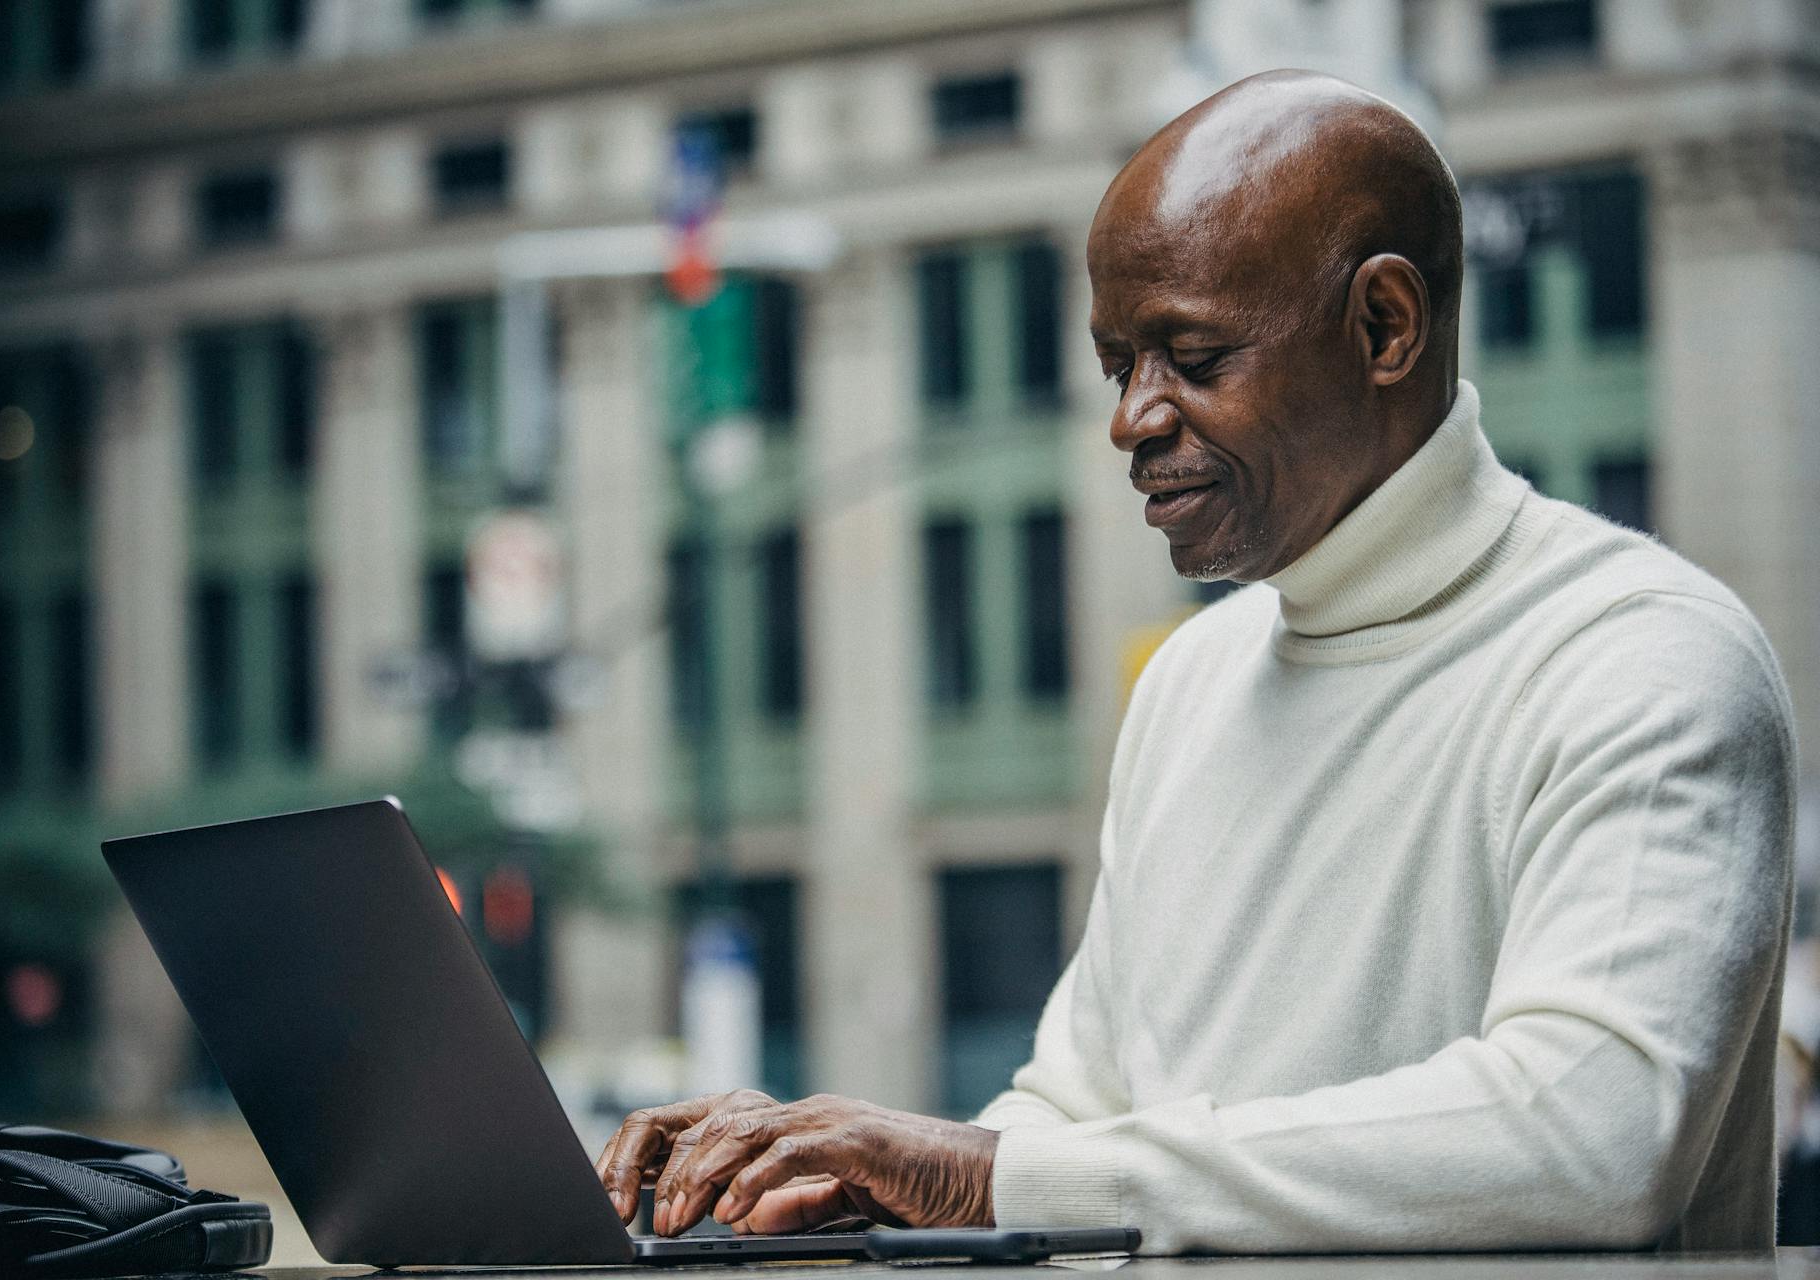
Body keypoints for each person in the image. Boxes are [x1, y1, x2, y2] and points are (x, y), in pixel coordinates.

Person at [596, 70, 1797, 1253]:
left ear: (1386, 325)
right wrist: (845, 1183)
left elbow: (1593, 1135)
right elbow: (1074, 1118)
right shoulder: (1189, 679)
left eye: (1193, 355)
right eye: (1120, 363)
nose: (1131, 416)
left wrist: (983, 1172)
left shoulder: (1646, 657)